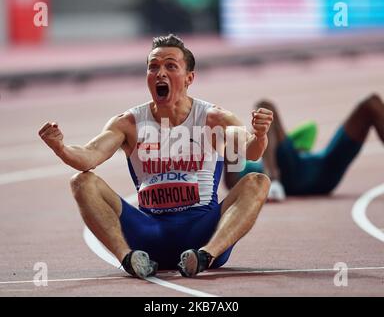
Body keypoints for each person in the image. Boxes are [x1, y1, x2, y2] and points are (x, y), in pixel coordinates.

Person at [38, 34, 273, 279]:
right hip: (149, 234)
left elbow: (249, 152)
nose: (160, 73)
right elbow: (88, 157)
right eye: (154, 67)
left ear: (189, 78)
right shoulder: (128, 123)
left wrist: (260, 134)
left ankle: (204, 257)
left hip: (203, 230)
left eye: (170, 66)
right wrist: (61, 148)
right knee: (81, 182)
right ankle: (129, 259)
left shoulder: (213, 118)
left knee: (258, 181)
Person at [224, 94, 384, 201]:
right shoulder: (249, 169)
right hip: (314, 173)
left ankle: (273, 182)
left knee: (372, 103)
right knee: (264, 106)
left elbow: (309, 128)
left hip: (319, 172)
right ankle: (272, 180)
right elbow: (232, 181)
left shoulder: (255, 164)